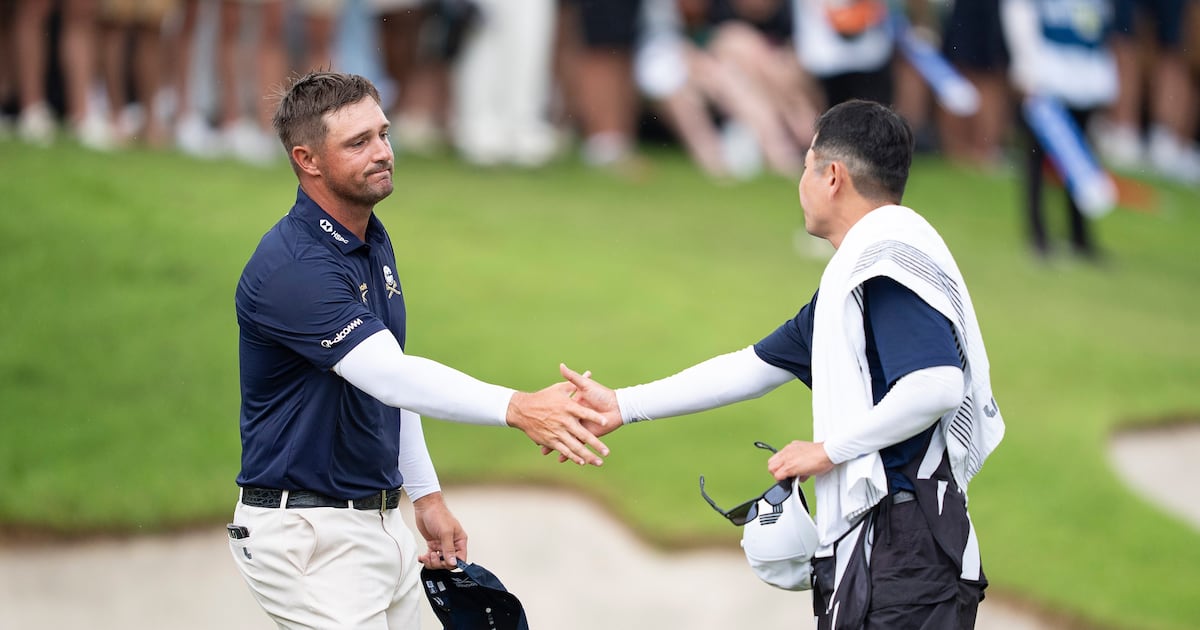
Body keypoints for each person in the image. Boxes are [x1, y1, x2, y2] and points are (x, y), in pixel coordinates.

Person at [560, 100, 1005, 628]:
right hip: (893, 553)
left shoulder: (883, 266)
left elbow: (936, 387)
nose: (801, 181)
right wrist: (623, 404)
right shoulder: (860, 270)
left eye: (805, 165)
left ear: (833, 176)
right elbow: (750, 368)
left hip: (907, 554)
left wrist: (827, 452)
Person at [228, 71, 611, 628]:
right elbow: (390, 377)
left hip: (377, 525)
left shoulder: (369, 239)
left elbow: (389, 384)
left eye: (383, 134)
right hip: (307, 540)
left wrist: (425, 499)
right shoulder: (295, 269)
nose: (383, 152)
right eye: (357, 143)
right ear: (308, 160)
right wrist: (518, 407)